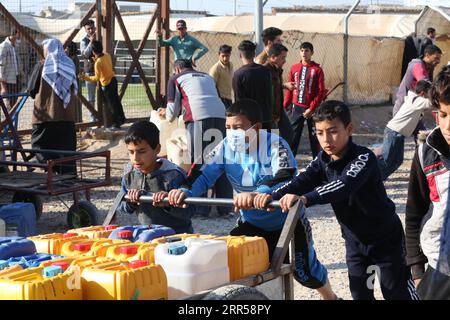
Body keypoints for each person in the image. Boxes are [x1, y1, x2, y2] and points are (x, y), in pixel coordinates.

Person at [167, 99, 339, 300]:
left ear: (256, 128)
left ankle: (331, 297)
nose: (232, 133)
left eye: (238, 128)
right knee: (235, 266)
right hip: (251, 221)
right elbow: (203, 174)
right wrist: (185, 191)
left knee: (305, 272)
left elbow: (286, 175)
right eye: (228, 128)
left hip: (287, 222)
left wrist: (260, 192)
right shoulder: (224, 147)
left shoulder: (275, 144)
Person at [255, 100, 419, 300]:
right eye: (320, 133)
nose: (326, 140)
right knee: (360, 295)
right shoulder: (322, 160)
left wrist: (306, 198)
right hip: (355, 243)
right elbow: (301, 180)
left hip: (386, 241)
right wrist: (272, 195)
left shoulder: (363, 158)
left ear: (349, 129)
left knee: (396, 293)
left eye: (332, 131)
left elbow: (343, 185)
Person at [162, 59, 233, 216]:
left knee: (199, 162)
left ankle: (200, 208)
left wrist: (166, 114)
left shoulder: (175, 78)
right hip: (221, 116)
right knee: (220, 159)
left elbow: (172, 111)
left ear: (177, 69)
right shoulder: (207, 76)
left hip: (198, 118)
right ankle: (226, 208)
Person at [405, 68, 450, 300]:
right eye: (443, 114)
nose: (448, 125)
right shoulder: (426, 153)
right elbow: (414, 212)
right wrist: (417, 270)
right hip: (437, 270)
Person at [117, 120, 195, 234]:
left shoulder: (173, 175)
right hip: (148, 235)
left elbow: (191, 210)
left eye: (141, 151)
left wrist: (169, 202)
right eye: (131, 152)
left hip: (177, 236)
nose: (135, 158)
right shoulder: (130, 173)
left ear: (157, 149)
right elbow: (120, 204)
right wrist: (130, 201)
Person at [29, 38, 78, 175]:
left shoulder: (42, 66)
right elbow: (75, 87)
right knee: (66, 148)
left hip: (44, 115)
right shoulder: (69, 64)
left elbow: (31, 89)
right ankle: (68, 175)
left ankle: (49, 171)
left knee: (41, 146)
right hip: (66, 116)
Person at [377, 80, 432, 180]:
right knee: (386, 161)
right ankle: (373, 179)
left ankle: (379, 179)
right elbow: (431, 103)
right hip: (393, 132)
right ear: (423, 93)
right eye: (429, 92)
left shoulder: (414, 99)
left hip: (398, 134)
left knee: (397, 161)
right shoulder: (417, 100)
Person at [284, 42, 325, 157]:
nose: (304, 53)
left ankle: (318, 163)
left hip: (312, 109)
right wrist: (285, 106)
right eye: (302, 50)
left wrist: (312, 108)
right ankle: (290, 164)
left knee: (315, 137)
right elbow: (290, 89)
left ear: (312, 53)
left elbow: (321, 91)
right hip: (296, 108)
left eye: (306, 51)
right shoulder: (294, 68)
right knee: (293, 136)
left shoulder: (317, 70)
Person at [80, 40, 126, 130]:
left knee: (111, 105)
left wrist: (85, 77)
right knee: (116, 102)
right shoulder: (107, 55)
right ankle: (122, 119)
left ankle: (116, 124)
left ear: (93, 52)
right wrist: (96, 59)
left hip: (106, 85)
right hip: (113, 80)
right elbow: (104, 63)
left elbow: (97, 78)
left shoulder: (98, 63)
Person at [232, 40, 272, 129]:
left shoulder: (238, 74)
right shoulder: (265, 71)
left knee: (253, 143)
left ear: (240, 55)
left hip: (249, 121)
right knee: (271, 142)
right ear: (254, 54)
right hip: (267, 118)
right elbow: (270, 95)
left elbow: (239, 102)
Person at [393, 44, 442, 116]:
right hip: (404, 107)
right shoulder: (417, 65)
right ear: (427, 55)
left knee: (418, 127)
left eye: (439, 58)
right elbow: (424, 83)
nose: (438, 61)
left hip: (414, 106)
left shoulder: (429, 67)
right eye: (436, 58)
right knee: (396, 127)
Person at [263, 43, 294, 147]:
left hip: (278, 112)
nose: (284, 61)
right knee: (272, 143)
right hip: (270, 115)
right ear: (272, 57)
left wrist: (284, 86)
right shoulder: (265, 71)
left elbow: (275, 87)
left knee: (288, 134)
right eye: (282, 58)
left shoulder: (276, 70)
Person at [0, 28, 22, 110]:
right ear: (16, 34)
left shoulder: (15, 46)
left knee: (14, 102)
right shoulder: (3, 47)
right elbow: (1, 66)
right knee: (8, 104)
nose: (20, 38)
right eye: (20, 35)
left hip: (16, 78)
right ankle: (9, 119)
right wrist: (3, 86)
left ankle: (10, 118)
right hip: (8, 80)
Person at [80, 19, 97, 122]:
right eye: (88, 29)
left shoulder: (100, 38)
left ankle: (103, 118)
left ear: (95, 27)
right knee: (91, 98)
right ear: (85, 30)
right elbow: (85, 54)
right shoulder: (83, 41)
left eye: (92, 28)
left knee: (103, 96)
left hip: (101, 71)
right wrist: (91, 42)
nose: (91, 30)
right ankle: (93, 119)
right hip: (90, 72)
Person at [65, 41, 82, 123]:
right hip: (75, 83)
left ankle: (77, 122)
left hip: (74, 84)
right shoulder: (74, 58)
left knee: (75, 103)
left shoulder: (73, 58)